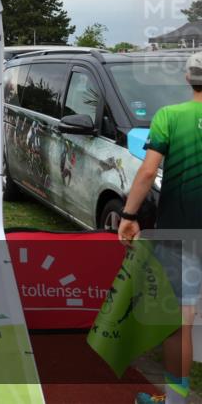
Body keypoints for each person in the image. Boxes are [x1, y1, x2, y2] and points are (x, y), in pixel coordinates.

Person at [120, 52, 202, 404]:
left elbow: (148, 172)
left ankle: (176, 400)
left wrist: (128, 214)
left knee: (180, 322)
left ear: (188, 79)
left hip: (181, 233)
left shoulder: (170, 116)